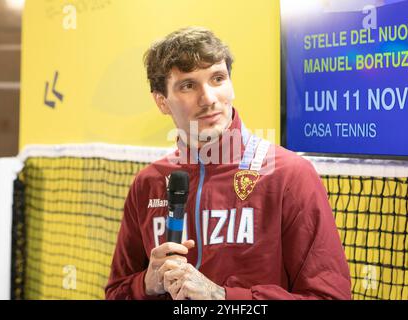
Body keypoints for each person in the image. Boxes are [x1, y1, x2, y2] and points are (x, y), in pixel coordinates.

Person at [105, 26, 351, 300]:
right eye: (188, 85)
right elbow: (116, 293)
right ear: (162, 102)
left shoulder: (289, 175)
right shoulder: (148, 183)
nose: (209, 99)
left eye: (218, 79)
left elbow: (331, 296)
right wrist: (147, 284)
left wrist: (222, 297)